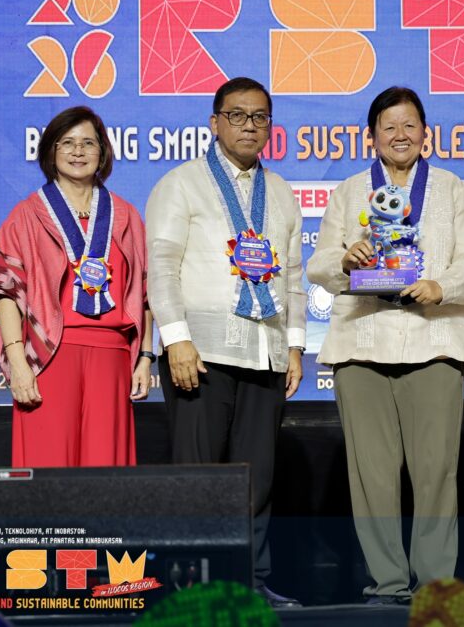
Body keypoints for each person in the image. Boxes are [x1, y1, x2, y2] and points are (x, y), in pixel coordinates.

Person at [307, 86, 464, 604]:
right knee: (372, 475)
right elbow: (319, 265)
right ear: (372, 136)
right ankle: (386, 583)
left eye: (410, 125)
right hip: (360, 343)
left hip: (434, 340)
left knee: (436, 471)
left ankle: (434, 582)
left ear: (426, 133)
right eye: (389, 126)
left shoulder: (454, 191)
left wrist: (441, 286)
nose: (400, 134)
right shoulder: (348, 192)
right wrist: (345, 261)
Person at [145, 77, 306, 609]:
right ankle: (194, 585)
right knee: (200, 476)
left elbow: (294, 275)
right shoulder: (181, 183)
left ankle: (250, 582)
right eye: (237, 115)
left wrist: (295, 346)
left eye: (259, 117)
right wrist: (175, 340)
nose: (249, 126)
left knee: (256, 476)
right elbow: (161, 268)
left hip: (265, 350)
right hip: (201, 354)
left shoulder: (279, 191)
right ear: (215, 122)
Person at [0, 106, 153, 468]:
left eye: (88, 143)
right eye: (67, 143)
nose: (78, 151)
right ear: (51, 152)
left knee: (107, 471)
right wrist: (18, 362)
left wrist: (146, 358)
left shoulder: (127, 215)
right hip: (50, 356)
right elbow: (5, 291)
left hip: (113, 356)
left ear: (102, 152)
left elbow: (145, 294)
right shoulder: (27, 214)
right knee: (47, 467)